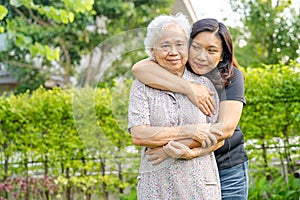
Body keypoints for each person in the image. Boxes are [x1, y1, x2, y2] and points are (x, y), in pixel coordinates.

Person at [132, 18, 249, 200]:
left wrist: (174, 149)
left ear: (222, 55)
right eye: (196, 47)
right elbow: (139, 68)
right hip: (186, 171)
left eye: (211, 50)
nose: (201, 57)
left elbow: (224, 129)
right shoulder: (180, 64)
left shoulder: (231, 77)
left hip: (227, 165)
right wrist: (189, 88)